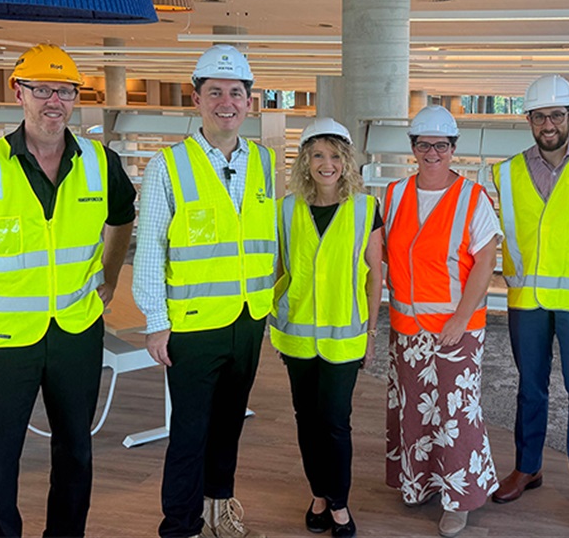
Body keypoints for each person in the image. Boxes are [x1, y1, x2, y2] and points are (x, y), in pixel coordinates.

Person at [0, 44, 136, 537]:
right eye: (43, 89)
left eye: (66, 91)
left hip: (76, 331)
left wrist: (109, 277)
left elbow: (122, 218)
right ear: (19, 93)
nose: (56, 100)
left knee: (76, 449)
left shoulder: (100, 161)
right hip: (3, 339)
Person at [133, 45, 277, 538]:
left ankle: (219, 510)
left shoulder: (263, 162)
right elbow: (149, 247)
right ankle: (180, 526)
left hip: (247, 317)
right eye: (215, 92)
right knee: (190, 433)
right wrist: (155, 320)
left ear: (250, 103)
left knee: (229, 424)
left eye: (236, 93)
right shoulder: (167, 166)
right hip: (192, 325)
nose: (227, 102)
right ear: (196, 100)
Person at [489, 74, 569, 530]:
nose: (548, 124)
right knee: (530, 386)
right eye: (540, 116)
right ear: (529, 119)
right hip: (526, 297)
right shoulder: (504, 173)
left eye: (556, 115)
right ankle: (529, 466)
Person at [383, 105, 502, 538]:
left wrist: (460, 318)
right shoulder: (393, 194)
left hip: (457, 328)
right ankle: (420, 483)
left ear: (454, 149)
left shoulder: (473, 197)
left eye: (441, 145)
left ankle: (461, 498)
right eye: (423, 144)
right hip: (407, 328)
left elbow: (486, 263)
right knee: (415, 410)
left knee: (457, 414)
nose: (432, 152)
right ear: (412, 147)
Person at [270, 118, 383, 538]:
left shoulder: (365, 209)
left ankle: (337, 502)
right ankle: (318, 494)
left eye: (335, 155)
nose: (327, 164)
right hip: (296, 336)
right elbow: (281, 269)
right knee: (306, 419)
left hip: (344, 338)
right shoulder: (286, 208)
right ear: (305, 161)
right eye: (317, 155)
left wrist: (371, 334)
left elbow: (375, 276)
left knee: (335, 422)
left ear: (347, 160)